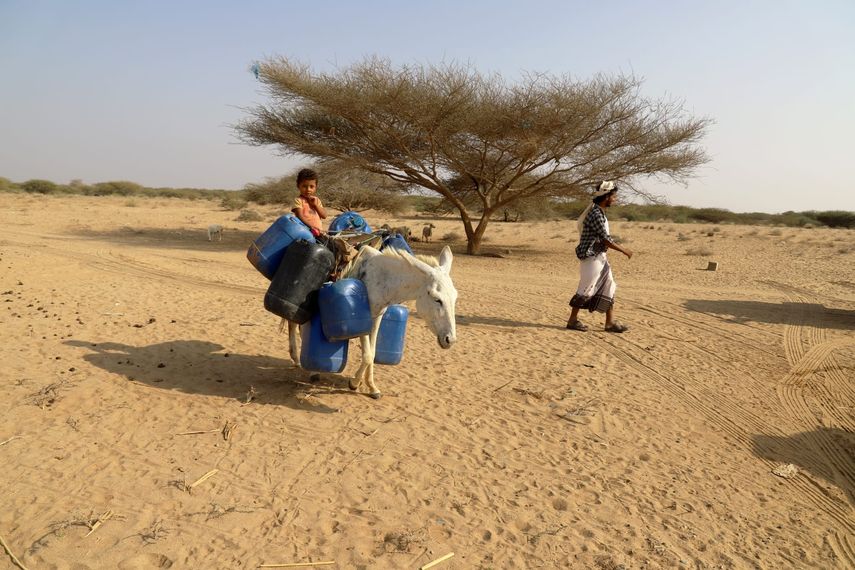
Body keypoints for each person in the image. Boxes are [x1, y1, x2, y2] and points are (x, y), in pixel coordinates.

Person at [566, 181, 633, 333]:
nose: (615, 199)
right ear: (606, 197)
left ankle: (609, 323)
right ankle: (572, 321)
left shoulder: (599, 212)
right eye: (614, 196)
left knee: (609, 286)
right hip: (592, 257)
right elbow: (605, 239)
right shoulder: (596, 214)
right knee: (586, 288)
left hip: (600, 256)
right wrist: (624, 250)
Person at [292, 168, 327, 236]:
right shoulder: (298, 200)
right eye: (304, 186)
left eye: (311, 186)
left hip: (318, 233)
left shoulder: (316, 200)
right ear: (298, 186)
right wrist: (311, 227)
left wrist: (315, 205)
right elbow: (300, 216)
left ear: (316, 187)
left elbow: (324, 216)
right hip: (305, 233)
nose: (308, 189)